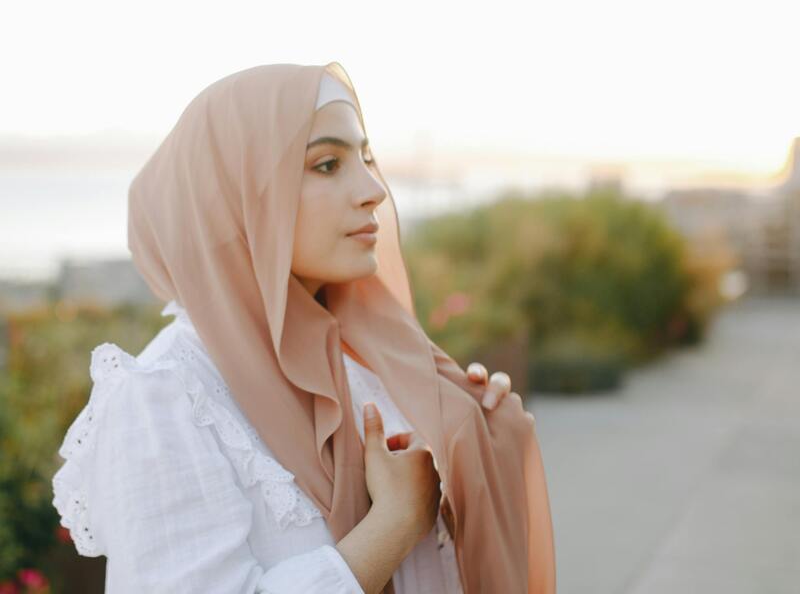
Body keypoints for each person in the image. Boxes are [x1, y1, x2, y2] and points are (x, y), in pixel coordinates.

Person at [51, 62, 556, 593]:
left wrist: (477, 433)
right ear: (240, 197)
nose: (374, 190)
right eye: (327, 164)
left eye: (365, 158)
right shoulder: (166, 397)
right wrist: (393, 523)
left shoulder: (368, 367)